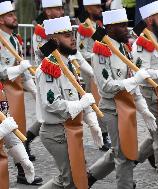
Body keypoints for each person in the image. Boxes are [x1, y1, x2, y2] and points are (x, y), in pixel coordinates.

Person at [87, 8, 157, 189]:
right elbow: (106, 86)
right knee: (124, 154)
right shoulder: (101, 51)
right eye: (121, 26)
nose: (126, 29)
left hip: (128, 107)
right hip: (112, 108)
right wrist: (133, 80)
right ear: (109, 27)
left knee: (121, 149)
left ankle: (91, 176)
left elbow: (133, 84)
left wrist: (144, 110)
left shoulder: (123, 48)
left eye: (126, 25)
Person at [36, 16, 103, 188]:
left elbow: (78, 96)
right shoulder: (49, 67)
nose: (73, 38)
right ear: (54, 41)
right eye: (66, 35)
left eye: (72, 34)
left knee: (75, 176)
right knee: (72, 179)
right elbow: (51, 104)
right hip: (56, 132)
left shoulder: (68, 64)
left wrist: (92, 121)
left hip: (70, 128)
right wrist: (81, 105)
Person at [131, 1, 158, 188]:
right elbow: (142, 74)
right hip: (152, 94)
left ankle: (130, 161)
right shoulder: (142, 44)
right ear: (149, 20)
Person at [0, 1, 43, 185]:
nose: (15, 18)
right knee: (9, 132)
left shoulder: (15, 39)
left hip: (16, 90)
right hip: (2, 91)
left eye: (14, 14)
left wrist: (33, 89)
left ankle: (22, 171)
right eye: (10, 15)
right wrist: (18, 70)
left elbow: (22, 68)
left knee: (18, 130)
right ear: (1, 20)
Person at [27, 0, 64, 162]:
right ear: (48, 12)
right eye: (57, 9)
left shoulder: (59, 27)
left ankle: (27, 138)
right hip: (46, 74)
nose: (61, 11)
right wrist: (56, 42)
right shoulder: (40, 31)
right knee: (51, 110)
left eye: (61, 8)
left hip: (61, 73)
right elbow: (42, 53)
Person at [76, 0, 112, 151]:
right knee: (94, 104)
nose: (100, 9)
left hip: (100, 68)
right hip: (88, 70)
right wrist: (96, 56)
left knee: (100, 102)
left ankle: (103, 134)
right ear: (88, 8)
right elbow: (80, 51)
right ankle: (102, 136)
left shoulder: (99, 24)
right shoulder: (84, 28)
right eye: (97, 6)